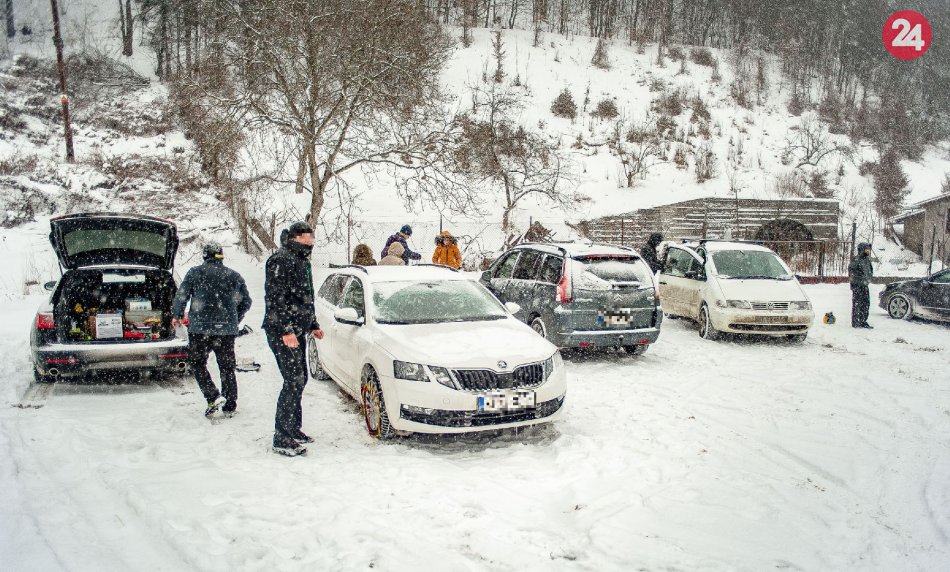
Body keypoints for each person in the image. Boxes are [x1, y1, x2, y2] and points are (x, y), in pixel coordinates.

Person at [262, 222, 325, 457]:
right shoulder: (281, 259)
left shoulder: (302, 259)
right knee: (293, 380)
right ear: (298, 237)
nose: (313, 239)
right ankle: (281, 437)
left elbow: (305, 297)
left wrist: (313, 324)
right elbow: (276, 298)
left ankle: (293, 429)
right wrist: (286, 329)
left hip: (297, 329)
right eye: (309, 235)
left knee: (301, 379)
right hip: (282, 332)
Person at [172, 242, 252, 417]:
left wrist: (177, 315)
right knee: (227, 367)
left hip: (200, 330)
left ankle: (212, 396)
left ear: (204, 256)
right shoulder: (234, 276)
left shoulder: (195, 273)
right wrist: (234, 319)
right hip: (226, 331)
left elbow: (182, 295)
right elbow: (247, 302)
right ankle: (229, 405)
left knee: (197, 363)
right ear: (221, 256)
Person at [849, 242, 874, 329]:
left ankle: (863, 321)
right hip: (857, 286)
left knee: (866, 303)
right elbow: (852, 272)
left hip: (865, 285)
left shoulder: (867, 260)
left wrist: (868, 278)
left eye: (869, 249)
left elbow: (870, 270)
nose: (868, 251)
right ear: (862, 249)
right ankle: (856, 322)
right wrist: (859, 279)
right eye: (866, 249)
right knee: (857, 304)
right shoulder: (856, 260)